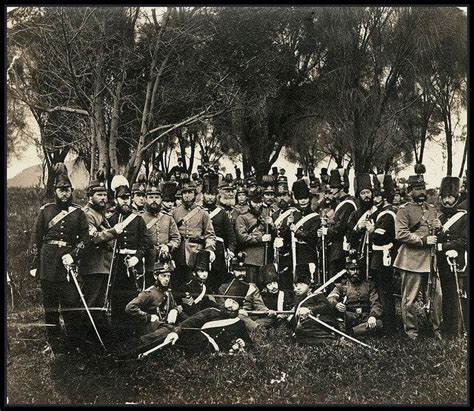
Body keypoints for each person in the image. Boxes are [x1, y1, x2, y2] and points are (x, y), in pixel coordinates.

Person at [28, 163, 90, 355]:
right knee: (50, 306)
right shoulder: (45, 211)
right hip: (48, 264)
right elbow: (35, 238)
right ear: (55, 191)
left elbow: (86, 238)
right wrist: (34, 263)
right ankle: (54, 344)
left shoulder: (79, 213)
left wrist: (73, 254)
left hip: (68, 267)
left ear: (72, 191)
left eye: (67, 190)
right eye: (61, 190)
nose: (64, 194)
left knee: (71, 305)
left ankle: (73, 344)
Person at [119, 288, 252, 359]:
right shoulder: (212, 311)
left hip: (207, 349)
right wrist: (176, 332)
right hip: (192, 339)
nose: (230, 305)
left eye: (235, 303)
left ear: (239, 307)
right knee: (165, 334)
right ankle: (127, 352)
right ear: (225, 300)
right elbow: (191, 322)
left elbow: (249, 343)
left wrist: (242, 343)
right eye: (229, 300)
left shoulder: (238, 323)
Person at [393, 165, 442, 340]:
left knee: (436, 296)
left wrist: (439, 228)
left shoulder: (432, 209)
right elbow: (401, 234)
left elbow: (437, 234)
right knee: (409, 299)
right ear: (410, 191)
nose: (422, 192)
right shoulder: (403, 210)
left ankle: (436, 329)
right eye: (417, 189)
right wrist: (422, 240)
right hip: (411, 260)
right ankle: (411, 332)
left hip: (430, 260)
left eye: (423, 188)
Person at [79, 174, 125, 347]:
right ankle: (86, 340)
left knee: (100, 303)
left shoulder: (100, 214)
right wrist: (114, 231)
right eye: (99, 194)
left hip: (104, 265)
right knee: (91, 303)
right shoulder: (87, 214)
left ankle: (98, 339)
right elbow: (94, 238)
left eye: (105, 194)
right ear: (90, 196)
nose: (103, 198)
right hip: (93, 266)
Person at [106, 175, 154, 336]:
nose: (125, 201)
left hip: (135, 265)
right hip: (117, 265)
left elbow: (147, 242)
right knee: (117, 297)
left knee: (135, 297)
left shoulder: (138, 220)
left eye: (127, 197)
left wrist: (137, 257)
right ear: (116, 199)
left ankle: (137, 332)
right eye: (122, 198)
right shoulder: (111, 219)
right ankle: (119, 333)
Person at [436, 176, 468, 336]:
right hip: (442, 263)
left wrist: (445, 246)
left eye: (451, 197)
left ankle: (458, 330)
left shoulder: (464, 216)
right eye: (444, 197)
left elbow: (465, 239)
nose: (447, 201)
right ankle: (447, 327)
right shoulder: (439, 218)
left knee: (458, 295)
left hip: (459, 261)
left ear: (456, 198)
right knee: (445, 295)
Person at [172, 180, 216, 290]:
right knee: (178, 282)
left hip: (196, 252)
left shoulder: (203, 213)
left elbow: (210, 234)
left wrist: (210, 249)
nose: (187, 196)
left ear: (195, 194)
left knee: (194, 284)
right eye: (185, 193)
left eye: (190, 192)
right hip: (179, 252)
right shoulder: (175, 212)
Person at [370, 174, 398, 334]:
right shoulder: (380, 212)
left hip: (383, 257)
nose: (376, 198)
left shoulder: (388, 214)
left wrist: (371, 230)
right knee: (381, 291)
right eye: (376, 195)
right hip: (378, 256)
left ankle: (389, 326)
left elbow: (378, 236)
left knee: (385, 292)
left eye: (380, 195)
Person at [218, 252, 275, 333]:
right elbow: (222, 306)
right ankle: (258, 329)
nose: (242, 274)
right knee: (238, 317)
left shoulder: (252, 286)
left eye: (243, 270)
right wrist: (236, 311)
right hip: (235, 315)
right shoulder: (224, 288)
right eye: (238, 270)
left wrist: (267, 311)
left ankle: (250, 326)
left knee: (270, 318)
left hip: (250, 315)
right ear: (232, 271)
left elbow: (258, 304)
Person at [125, 261, 181, 339]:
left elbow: (177, 306)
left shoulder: (168, 293)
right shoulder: (149, 293)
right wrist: (149, 317)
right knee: (172, 330)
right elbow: (130, 307)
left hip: (163, 327)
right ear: (155, 276)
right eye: (163, 276)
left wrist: (175, 310)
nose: (167, 279)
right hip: (151, 329)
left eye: (168, 276)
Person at [327, 260, 383, 337]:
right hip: (349, 317)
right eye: (352, 270)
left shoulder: (369, 285)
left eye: (357, 269)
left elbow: (376, 303)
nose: (355, 272)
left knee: (379, 323)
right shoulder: (342, 286)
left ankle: (351, 332)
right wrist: (336, 304)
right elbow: (330, 298)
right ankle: (358, 331)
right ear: (347, 271)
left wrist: (373, 316)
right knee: (338, 319)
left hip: (365, 316)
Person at [142, 179, 181, 289]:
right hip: (147, 261)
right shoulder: (140, 218)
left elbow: (176, 238)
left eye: (157, 197)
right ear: (146, 199)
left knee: (165, 291)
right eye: (151, 197)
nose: (154, 200)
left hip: (164, 261)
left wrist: (168, 246)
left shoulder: (168, 218)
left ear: (161, 199)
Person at [202, 173, 237, 292]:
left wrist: (231, 251)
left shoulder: (221, 213)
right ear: (202, 195)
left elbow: (230, 236)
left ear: (217, 195)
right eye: (207, 194)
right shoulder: (198, 211)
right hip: (202, 249)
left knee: (217, 281)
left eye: (212, 194)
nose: (210, 197)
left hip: (219, 251)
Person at [234, 187, 274, 288]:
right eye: (255, 202)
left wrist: (272, 225)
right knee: (251, 289)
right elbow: (242, 237)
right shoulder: (242, 217)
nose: (258, 205)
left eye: (260, 202)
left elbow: (272, 236)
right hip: (250, 260)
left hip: (265, 258)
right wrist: (260, 238)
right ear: (249, 202)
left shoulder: (265, 217)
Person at [322, 168, 357, 280]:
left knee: (337, 278)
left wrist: (326, 231)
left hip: (341, 249)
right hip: (339, 247)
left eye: (333, 187)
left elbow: (339, 229)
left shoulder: (347, 204)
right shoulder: (342, 203)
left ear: (341, 188)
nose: (331, 191)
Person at [290, 263, 337, 345]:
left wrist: (310, 310)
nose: (298, 288)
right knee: (298, 332)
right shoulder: (299, 297)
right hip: (307, 324)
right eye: (296, 285)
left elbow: (327, 306)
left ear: (308, 283)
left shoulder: (317, 294)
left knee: (300, 331)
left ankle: (330, 340)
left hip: (321, 322)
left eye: (301, 284)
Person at [347, 173, 378, 278]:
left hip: (375, 254)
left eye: (368, 192)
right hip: (360, 254)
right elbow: (349, 236)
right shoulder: (354, 215)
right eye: (363, 193)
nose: (366, 196)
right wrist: (359, 227)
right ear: (359, 196)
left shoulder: (378, 212)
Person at [175, 250, 219, 319]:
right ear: (194, 273)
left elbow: (209, 303)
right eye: (201, 271)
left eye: (206, 271)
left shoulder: (205, 287)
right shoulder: (186, 287)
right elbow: (190, 309)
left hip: (201, 316)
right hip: (189, 319)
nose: (204, 274)